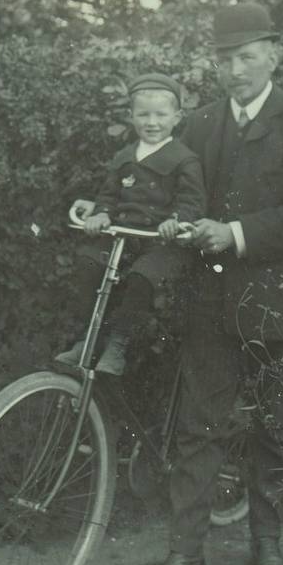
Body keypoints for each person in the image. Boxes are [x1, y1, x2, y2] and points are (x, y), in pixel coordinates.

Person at [141, 2, 283, 565]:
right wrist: (126, 213)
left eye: (247, 56)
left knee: (275, 426)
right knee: (198, 428)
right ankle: (186, 554)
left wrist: (236, 233)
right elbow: (164, 193)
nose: (235, 69)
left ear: (273, 56)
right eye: (225, 58)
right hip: (210, 301)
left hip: (281, 303)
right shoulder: (198, 124)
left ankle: (268, 540)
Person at [56, 72, 206, 376]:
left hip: (159, 241)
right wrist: (101, 214)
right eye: (143, 114)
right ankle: (91, 337)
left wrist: (176, 221)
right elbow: (108, 195)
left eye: (161, 115)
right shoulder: (124, 156)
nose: (152, 122)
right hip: (122, 237)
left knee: (143, 277)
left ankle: (118, 343)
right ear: (131, 117)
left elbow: (192, 200)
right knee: (88, 263)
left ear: (177, 117)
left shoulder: (183, 159)